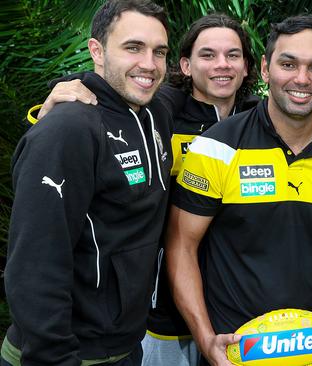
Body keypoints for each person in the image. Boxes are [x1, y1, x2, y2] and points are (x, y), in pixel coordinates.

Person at [166, 14, 312, 366]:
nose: (302, 78)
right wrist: (205, 338)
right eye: (288, 64)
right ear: (265, 69)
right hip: (236, 351)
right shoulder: (218, 147)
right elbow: (181, 246)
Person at [2, 1, 173, 365]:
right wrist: (55, 356)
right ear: (97, 50)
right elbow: (35, 262)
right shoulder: (69, 129)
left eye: (159, 52)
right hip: (65, 353)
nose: (149, 64)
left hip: (124, 346)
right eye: (133, 47)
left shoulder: (157, 112)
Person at [141, 13, 259, 366]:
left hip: (241, 310)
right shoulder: (158, 114)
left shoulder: (265, 121)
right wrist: (71, 86)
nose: (222, 65)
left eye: (233, 55)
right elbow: (108, 101)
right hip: (164, 312)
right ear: (186, 65)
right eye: (208, 55)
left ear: (248, 67)